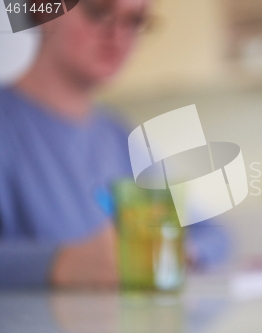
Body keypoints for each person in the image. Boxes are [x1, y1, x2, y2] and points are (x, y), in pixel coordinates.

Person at [0, 0, 229, 289]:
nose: (119, 34)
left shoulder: (119, 136)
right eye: (99, 11)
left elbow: (211, 233)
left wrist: (181, 252)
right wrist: (59, 263)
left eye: (134, 20)